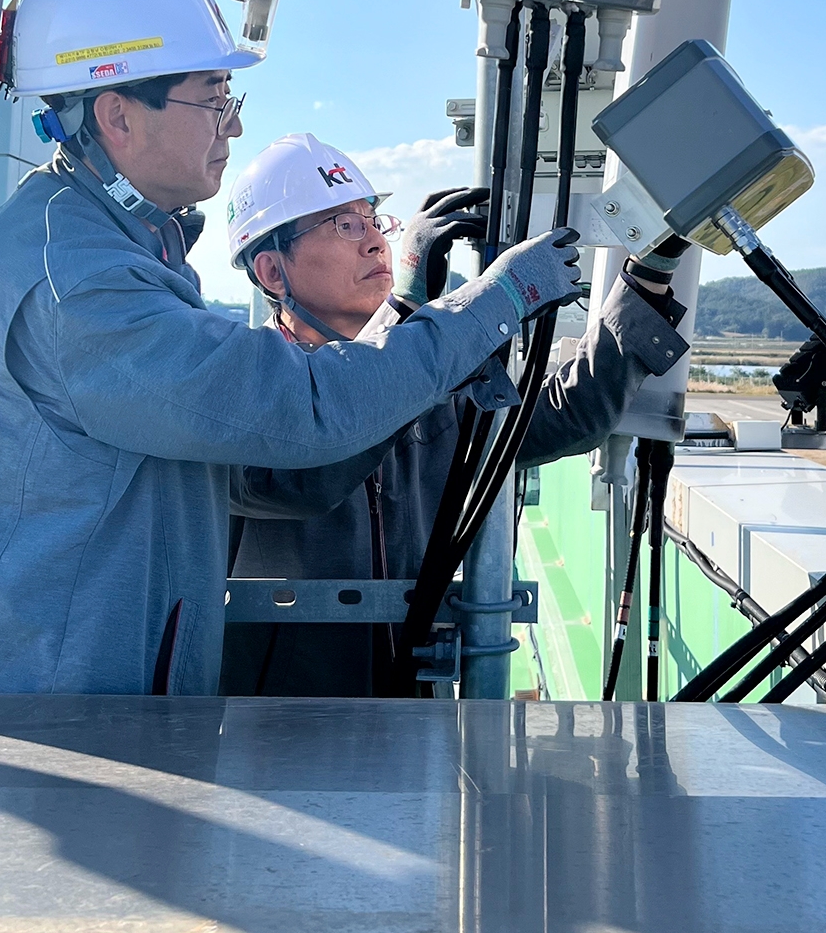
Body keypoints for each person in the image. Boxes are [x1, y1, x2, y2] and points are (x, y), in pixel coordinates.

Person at [0, 0, 581, 696]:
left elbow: (259, 467)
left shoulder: (109, 248)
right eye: (213, 99)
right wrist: (493, 304)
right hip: (53, 734)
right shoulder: (78, 284)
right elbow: (299, 410)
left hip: (84, 718)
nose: (231, 127)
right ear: (117, 115)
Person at [220, 133, 690, 696]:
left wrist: (652, 268)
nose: (375, 242)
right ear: (273, 273)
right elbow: (305, 475)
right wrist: (409, 313)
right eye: (344, 225)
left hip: (413, 708)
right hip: (275, 726)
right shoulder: (238, 389)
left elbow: (569, 413)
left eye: (374, 220)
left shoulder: (432, 386)